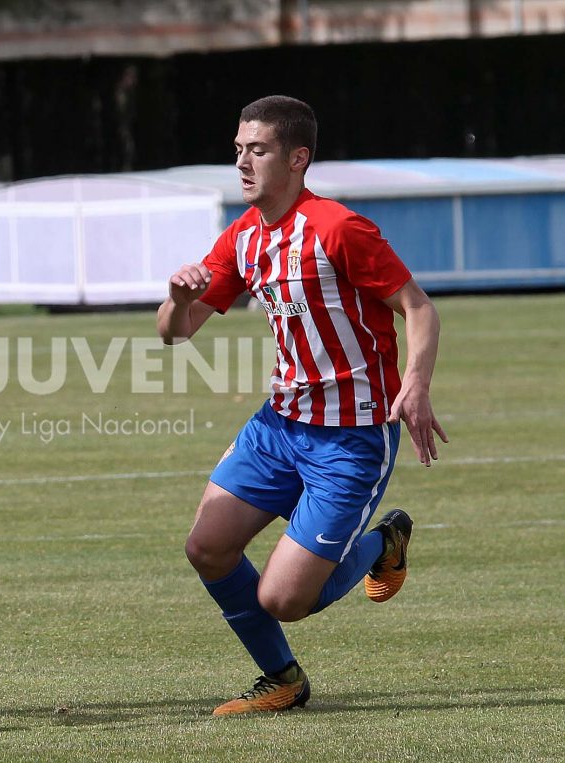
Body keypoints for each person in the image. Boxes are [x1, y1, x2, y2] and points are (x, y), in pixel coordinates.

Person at [156, 95, 448, 716]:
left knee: (284, 599)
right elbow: (174, 332)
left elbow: (418, 307)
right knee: (206, 547)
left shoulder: (339, 228)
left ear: (298, 158)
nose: (242, 162)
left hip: (350, 438)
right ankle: (281, 678)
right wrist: (180, 299)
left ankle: (385, 541)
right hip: (280, 425)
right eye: (237, 149)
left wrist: (415, 384)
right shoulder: (242, 237)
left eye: (256, 150)